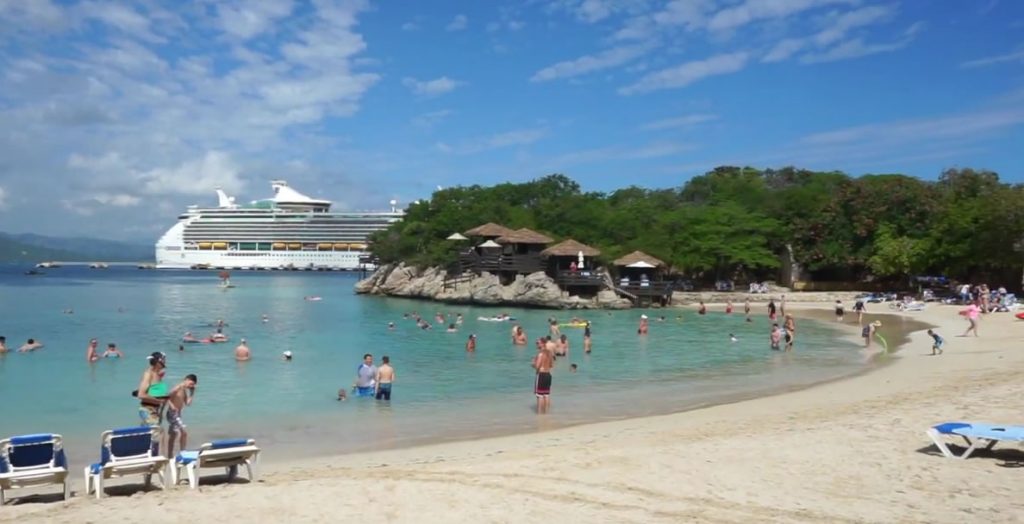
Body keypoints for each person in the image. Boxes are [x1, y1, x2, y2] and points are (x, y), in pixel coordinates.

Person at [165, 374, 197, 458]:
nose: (191, 386)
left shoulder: (184, 390)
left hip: (178, 414)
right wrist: (171, 406)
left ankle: (170, 455)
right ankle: (182, 453)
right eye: (191, 383)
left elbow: (188, 404)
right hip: (172, 413)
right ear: (186, 379)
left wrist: (192, 393)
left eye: (193, 385)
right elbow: (166, 396)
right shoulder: (177, 387)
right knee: (183, 433)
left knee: (173, 435)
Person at [136, 352, 168, 427]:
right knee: (156, 434)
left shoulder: (156, 374)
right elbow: (141, 395)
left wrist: (160, 412)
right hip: (148, 410)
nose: (165, 362)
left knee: (149, 435)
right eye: (164, 360)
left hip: (155, 410)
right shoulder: (148, 374)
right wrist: (159, 400)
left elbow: (153, 390)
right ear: (158, 362)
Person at [532, 341, 553, 414]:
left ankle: (539, 413)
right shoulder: (549, 353)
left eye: (538, 343)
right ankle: (546, 413)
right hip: (548, 374)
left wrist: (533, 364)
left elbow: (537, 366)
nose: (536, 344)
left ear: (542, 344)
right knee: (546, 394)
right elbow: (551, 365)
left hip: (541, 375)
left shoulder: (540, 354)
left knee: (539, 395)